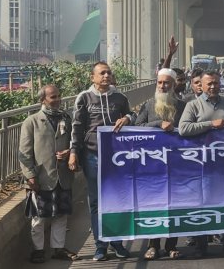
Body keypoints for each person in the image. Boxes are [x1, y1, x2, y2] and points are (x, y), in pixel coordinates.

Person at [178, 70, 224, 257]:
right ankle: (201, 245)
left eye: (216, 83)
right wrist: (209, 124)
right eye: (209, 84)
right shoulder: (193, 105)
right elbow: (183, 129)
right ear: (202, 85)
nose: (213, 86)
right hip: (203, 165)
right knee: (204, 204)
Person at [71, 62, 134, 261]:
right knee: (97, 202)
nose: (106, 76)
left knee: (117, 200)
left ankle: (117, 243)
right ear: (93, 77)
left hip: (116, 157)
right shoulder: (84, 98)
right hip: (93, 155)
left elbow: (132, 114)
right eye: (102, 73)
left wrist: (128, 119)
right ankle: (100, 245)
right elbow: (77, 126)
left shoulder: (120, 97)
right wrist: (74, 152)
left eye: (108, 72)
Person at [19, 85, 80, 264]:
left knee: (61, 215)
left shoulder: (66, 119)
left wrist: (69, 152)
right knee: (39, 217)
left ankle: (58, 248)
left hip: (63, 176)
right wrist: (30, 176)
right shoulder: (32, 122)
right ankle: (38, 250)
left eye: (59, 96)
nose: (57, 99)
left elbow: (74, 142)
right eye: (53, 97)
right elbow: (24, 152)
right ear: (43, 100)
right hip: (41, 177)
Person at [135, 69, 187, 260]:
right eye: (160, 83)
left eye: (166, 83)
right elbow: (137, 127)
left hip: (177, 163)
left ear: (173, 85)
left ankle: (171, 246)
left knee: (175, 205)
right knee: (154, 205)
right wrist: (158, 124)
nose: (163, 86)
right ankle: (153, 245)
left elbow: (189, 128)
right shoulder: (148, 105)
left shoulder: (182, 105)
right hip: (152, 164)